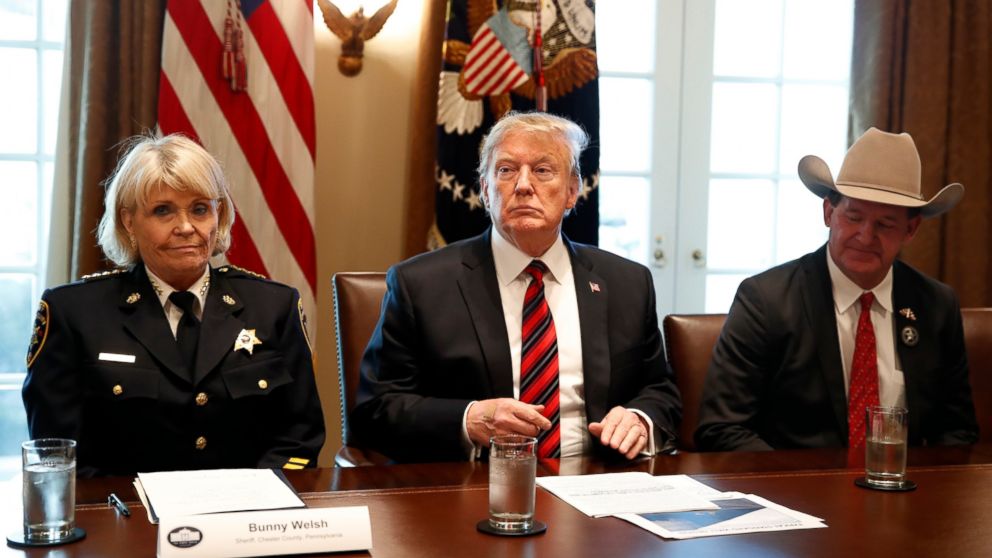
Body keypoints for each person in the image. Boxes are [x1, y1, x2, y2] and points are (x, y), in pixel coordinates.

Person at [349, 112, 682, 463]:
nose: (524, 185)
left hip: (596, 483)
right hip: (471, 485)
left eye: (542, 170)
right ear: (485, 190)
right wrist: (468, 419)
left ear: (572, 191)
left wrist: (640, 421)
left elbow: (660, 391)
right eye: (506, 170)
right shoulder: (419, 284)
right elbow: (376, 409)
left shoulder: (627, 283)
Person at [22, 134, 324, 477]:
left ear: (218, 215)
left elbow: (300, 437)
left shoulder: (274, 306)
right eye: (162, 211)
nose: (185, 227)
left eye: (199, 209)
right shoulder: (73, 312)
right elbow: (58, 452)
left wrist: (253, 502)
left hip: (246, 516)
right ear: (129, 221)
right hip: (126, 517)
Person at [696, 127, 979, 451]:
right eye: (853, 217)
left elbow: (957, 432)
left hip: (904, 492)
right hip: (794, 494)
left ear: (910, 229)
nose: (865, 236)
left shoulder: (936, 306)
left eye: (885, 224)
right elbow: (722, 429)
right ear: (829, 212)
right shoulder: (767, 300)